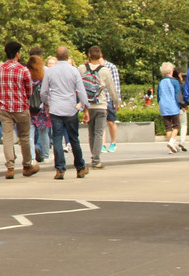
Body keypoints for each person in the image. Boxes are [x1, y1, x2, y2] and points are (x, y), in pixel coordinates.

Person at [41, 46, 91, 179]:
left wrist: (46, 103)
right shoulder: (73, 71)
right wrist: (85, 107)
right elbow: (81, 91)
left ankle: (60, 169)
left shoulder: (50, 72)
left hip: (56, 108)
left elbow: (44, 91)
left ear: (56, 57)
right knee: (74, 139)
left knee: (57, 139)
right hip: (70, 108)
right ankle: (80, 167)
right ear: (68, 56)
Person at [0, 41, 39, 179]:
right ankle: (27, 165)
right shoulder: (23, 70)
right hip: (20, 107)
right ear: (18, 54)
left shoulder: (0, 69)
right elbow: (29, 90)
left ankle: (10, 167)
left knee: (7, 136)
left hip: (4, 107)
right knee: (24, 137)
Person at [82, 46, 120, 170]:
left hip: (88, 106)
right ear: (100, 56)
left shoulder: (82, 69)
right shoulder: (104, 70)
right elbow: (112, 89)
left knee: (91, 132)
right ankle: (96, 159)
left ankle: (94, 155)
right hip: (101, 105)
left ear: (89, 55)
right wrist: (116, 103)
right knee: (99, 132)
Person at [27, 55, 51, 164]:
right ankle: (46, 154)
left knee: (30, 133)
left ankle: (31, 157)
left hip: (29, 107)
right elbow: (46, 92)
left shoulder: (27, 75)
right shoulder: (43, 76)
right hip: (41, 108)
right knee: (44, 132)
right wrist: (47, 105)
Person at [98, 53, 122, 153]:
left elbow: (116, 84)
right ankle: (102, 144)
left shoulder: (111, 67)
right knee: (102, 122)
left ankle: (113, 142)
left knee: (111, 122)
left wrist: (117, 100)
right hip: (100, 99)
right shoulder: (94, 68)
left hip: (110, 98)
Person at [157, 62, 182, 153]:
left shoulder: (161, 82)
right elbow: (178, 95)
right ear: (171, 71)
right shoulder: (174, 81)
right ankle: (172, 142)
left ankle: (171, 146)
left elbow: (158, 95)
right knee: (176, 125)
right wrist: (183, 104)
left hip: (163, 106)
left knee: (168, 127)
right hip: (173, 105)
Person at [171, 68, 189, 151]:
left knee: (173, 126)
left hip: (172, 108)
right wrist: (185, 105)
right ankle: (182, 141)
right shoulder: (181, 85)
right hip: (180, 107)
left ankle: (173, 143)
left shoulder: (170, 83)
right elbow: (183, 96)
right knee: (183, 125)